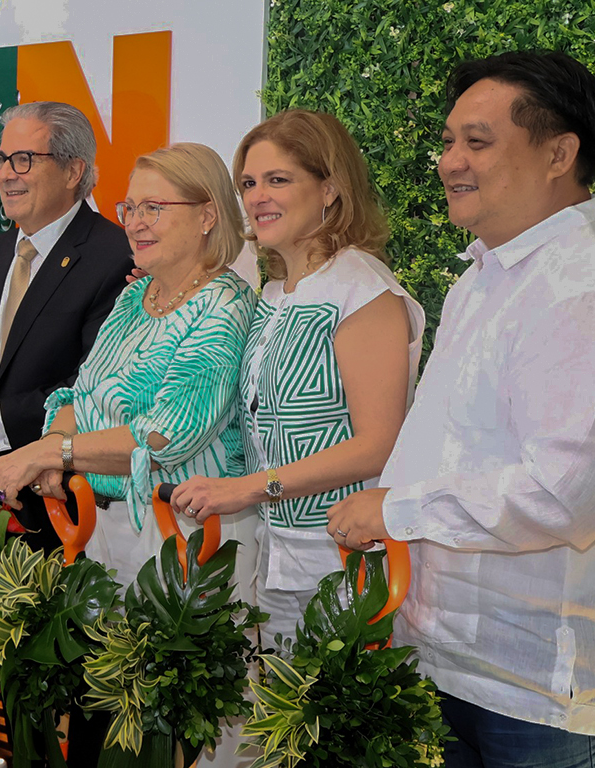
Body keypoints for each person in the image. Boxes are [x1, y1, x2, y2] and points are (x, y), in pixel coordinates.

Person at [327, 51, 595, 767]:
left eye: (478, 141)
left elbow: (564, 494)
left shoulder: (589, 287)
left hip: (549, 696)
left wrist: (395, 512)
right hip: (457, 668)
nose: (450, 161)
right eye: (450, 140)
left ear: (559, 153)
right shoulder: (485, 277)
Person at [167, 111, 424, 645]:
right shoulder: (273, 293)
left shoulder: (363, 289)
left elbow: (379, 444)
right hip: (279, 555)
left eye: (278, 180)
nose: (258, 196)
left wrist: (248, 489)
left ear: (330, 188)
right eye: (248, 183)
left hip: (351, 562)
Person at [0, 142, 257, 594]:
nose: (133, 223)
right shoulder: (136, 295)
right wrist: (56, 440)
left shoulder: (224, 306)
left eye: (153, 208)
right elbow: (80, 394)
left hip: (188, 537)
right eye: (129, 207)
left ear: (207, 215)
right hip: (102, 527)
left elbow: (165, 436)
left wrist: (47, 454)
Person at [0, 101, 133, 552]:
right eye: (1, 160)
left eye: (23, 160)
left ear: (73, 170)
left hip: (66, 504)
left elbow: (93, 383)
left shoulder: (115, 255)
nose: (4, 175)